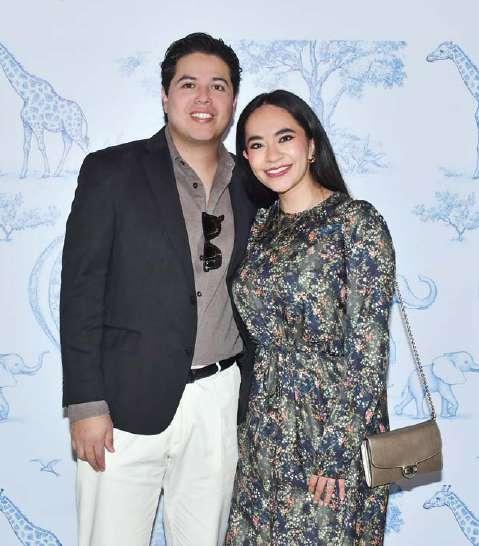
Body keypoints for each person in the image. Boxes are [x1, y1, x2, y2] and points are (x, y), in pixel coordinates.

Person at [60, 33, 265, 546]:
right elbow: (81, 291)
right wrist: (85, 403)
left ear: (233, 101)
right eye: (189, 84)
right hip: (122, 404)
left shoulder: (255, 185)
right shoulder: (112, 171)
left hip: (219, 401)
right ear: (165, 95)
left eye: (218, 86)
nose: (204, 98)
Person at [226, 90, 396, 545]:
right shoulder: (260, 226)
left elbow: (368, 348)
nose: (272, 155)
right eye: (257, 144)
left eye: (285, 138)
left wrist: (338, 450)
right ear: (247, 157)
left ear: (312, 145)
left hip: (331, 428)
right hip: (264, 427)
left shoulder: (356, 223)